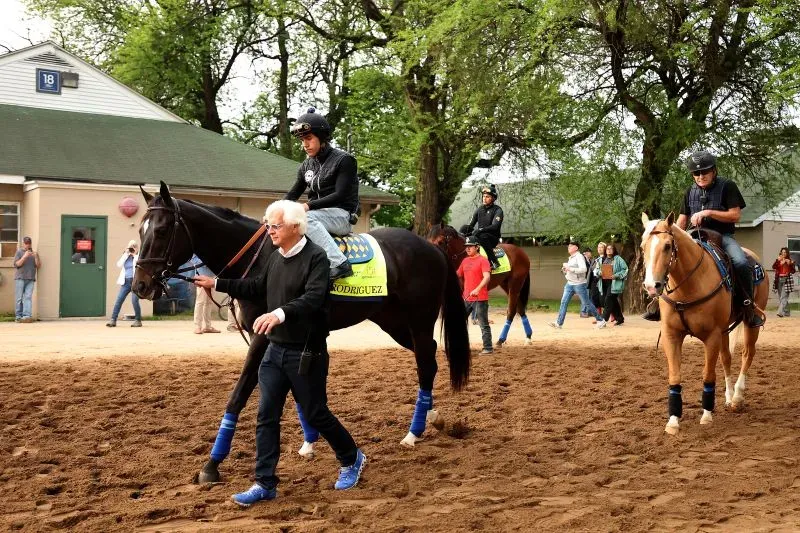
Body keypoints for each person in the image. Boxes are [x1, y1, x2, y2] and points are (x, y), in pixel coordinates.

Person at [193, 200, 366, 506]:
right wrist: (217, 282)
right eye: (268, 224)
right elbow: (258, 286)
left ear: (296, 228)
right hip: (275, 352)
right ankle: (265, 482)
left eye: (274, 226)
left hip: (307, 352)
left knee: (316, 414)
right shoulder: (275, 257)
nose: (268, 231)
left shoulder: (317, 259)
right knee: (266, 416)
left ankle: (352, 458)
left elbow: (313, 298)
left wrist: (280, 314)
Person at [642, 150, 764, 327]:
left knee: (740, 262)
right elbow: (682, 220)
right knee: (671, 259)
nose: (700, 176)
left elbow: (735, 215)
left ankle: (747, 306)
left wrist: (708, 212)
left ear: (714, 170)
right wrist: (671, 234)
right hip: (694, 236)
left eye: (704, 171)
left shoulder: (727, 186)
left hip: (722, 237)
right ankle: (659, 303)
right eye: (696, 173)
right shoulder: (689, 192)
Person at [285, 107, 359, 280]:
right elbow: (293, 194)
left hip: (342, 216)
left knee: (304, 218)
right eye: (302, 140)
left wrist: (307, 205)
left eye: (309, 139)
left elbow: (340, 195)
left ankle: (339, 264)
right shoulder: (306, 165)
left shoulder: (344, 160)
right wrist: (274, 213)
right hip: (317, 216)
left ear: (322, 138)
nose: (305, 144)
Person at [549, 240, 606, 329]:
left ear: (576, 248)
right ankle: (559, 323)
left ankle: (600, 320)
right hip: (569, 283)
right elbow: (571, 269)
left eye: (570, 246)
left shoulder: (579, 256)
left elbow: (584, 269)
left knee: (586, 303)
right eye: (568, 246)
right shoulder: (571, 257)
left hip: (579, 284)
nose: (568, 247)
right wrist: (565, 270)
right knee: (564, 302)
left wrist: (570, 268)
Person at [457, 235, 493, 355]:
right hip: (466, 298)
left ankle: (488, 348)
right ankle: (462, 346)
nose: (467, 249)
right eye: (466, 247)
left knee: (483, 324)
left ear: (477, 247)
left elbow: (487, 277)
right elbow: (457, 274)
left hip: (480, 298)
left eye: (470, 246)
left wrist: (477, 289)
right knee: (460, 322)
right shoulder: (465, 261)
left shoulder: (483, 260)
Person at [462, 184, 503, 270]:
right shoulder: (479, 209)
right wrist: (464, 231)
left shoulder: (498, 210)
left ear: (493, 198)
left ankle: (494, 261)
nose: (484, 198)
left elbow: (495, 226)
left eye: (487, 196)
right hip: (479, 236)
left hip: (492, 238)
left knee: (482, 236)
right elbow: (471, 225)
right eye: (483, 196)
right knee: (464, 228)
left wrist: (481, 230)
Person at [107, 240, 142, 327]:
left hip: (135, 282)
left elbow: (139, 264)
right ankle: (113, 320)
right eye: (130, 246)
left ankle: (138, 320)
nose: (132, 248)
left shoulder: (139, 256)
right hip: (125, 282)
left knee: (134, 301)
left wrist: (134, 255)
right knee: (119, 300)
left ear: (137, 248)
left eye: (134, 246)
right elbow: (118, 264)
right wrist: (126, 254)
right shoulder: (125, 256)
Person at [598, 243, 628, 326]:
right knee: (613, 301)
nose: (609, 250)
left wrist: (616, 275)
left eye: (611, 248)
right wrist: (599, 273)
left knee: (608, 300)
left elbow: (625, 269)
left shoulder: (618, 259)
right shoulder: (602, 259)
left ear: (614, 250)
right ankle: (620, 319)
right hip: (604, 284)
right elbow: (596, 270)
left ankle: (603, 320)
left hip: (614, 283)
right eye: (607, 248)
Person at [190, 255, 220, 334]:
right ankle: (197, 326)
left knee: (209, 302)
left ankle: (207, 326)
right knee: (200, 301)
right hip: (201, 275)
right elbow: (193, 259)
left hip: (213, 276)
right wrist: (205, 261)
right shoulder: (198, 245)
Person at [14, 236, 41, 323]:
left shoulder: (34, 253)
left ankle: (27, 316)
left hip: (31, 279)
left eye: (29, 243)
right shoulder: (19, 252)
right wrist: (25, 257)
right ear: (23, 243)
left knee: (28, 297)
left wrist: (36, 257)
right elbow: (17, 264)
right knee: (19, 298)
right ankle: (18, 316)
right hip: (20, 278)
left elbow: (38, 266)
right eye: (26, 243)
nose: (27, 245)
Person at [772, 247, 796, 317]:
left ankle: (780, 312)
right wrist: (778, 261)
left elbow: (793, 271)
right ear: (781, 253)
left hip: (787, 280)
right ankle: (787, 312)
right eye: (782, 252)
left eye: (785, 252)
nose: (783, 254)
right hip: (779, 279)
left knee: (784, 297)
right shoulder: (778, 260)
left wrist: (790, 264)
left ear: (787, 253)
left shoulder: (790, 261)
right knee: (781, 297)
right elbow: (773, 267)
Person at [587, 242, 607, 318]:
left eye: (601, 247)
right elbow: (591, 270)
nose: (599, 248)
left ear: (605, 249)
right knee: (595, 298)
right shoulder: (595, 259)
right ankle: (598, 317)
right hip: (594, 281)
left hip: (603, 281)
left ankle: (611, 315)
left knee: (604, 299)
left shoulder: (607, 258)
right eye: (598, 247)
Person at [580, 248, 594, 317]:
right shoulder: (582, 259)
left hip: (589, 281)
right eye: (590, 252)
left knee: (590, 296)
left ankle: (589, 311)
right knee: (585, 296)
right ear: (585, 253)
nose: (591, 253)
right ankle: (583, 311)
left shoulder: (589, 260)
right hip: (584, 280)